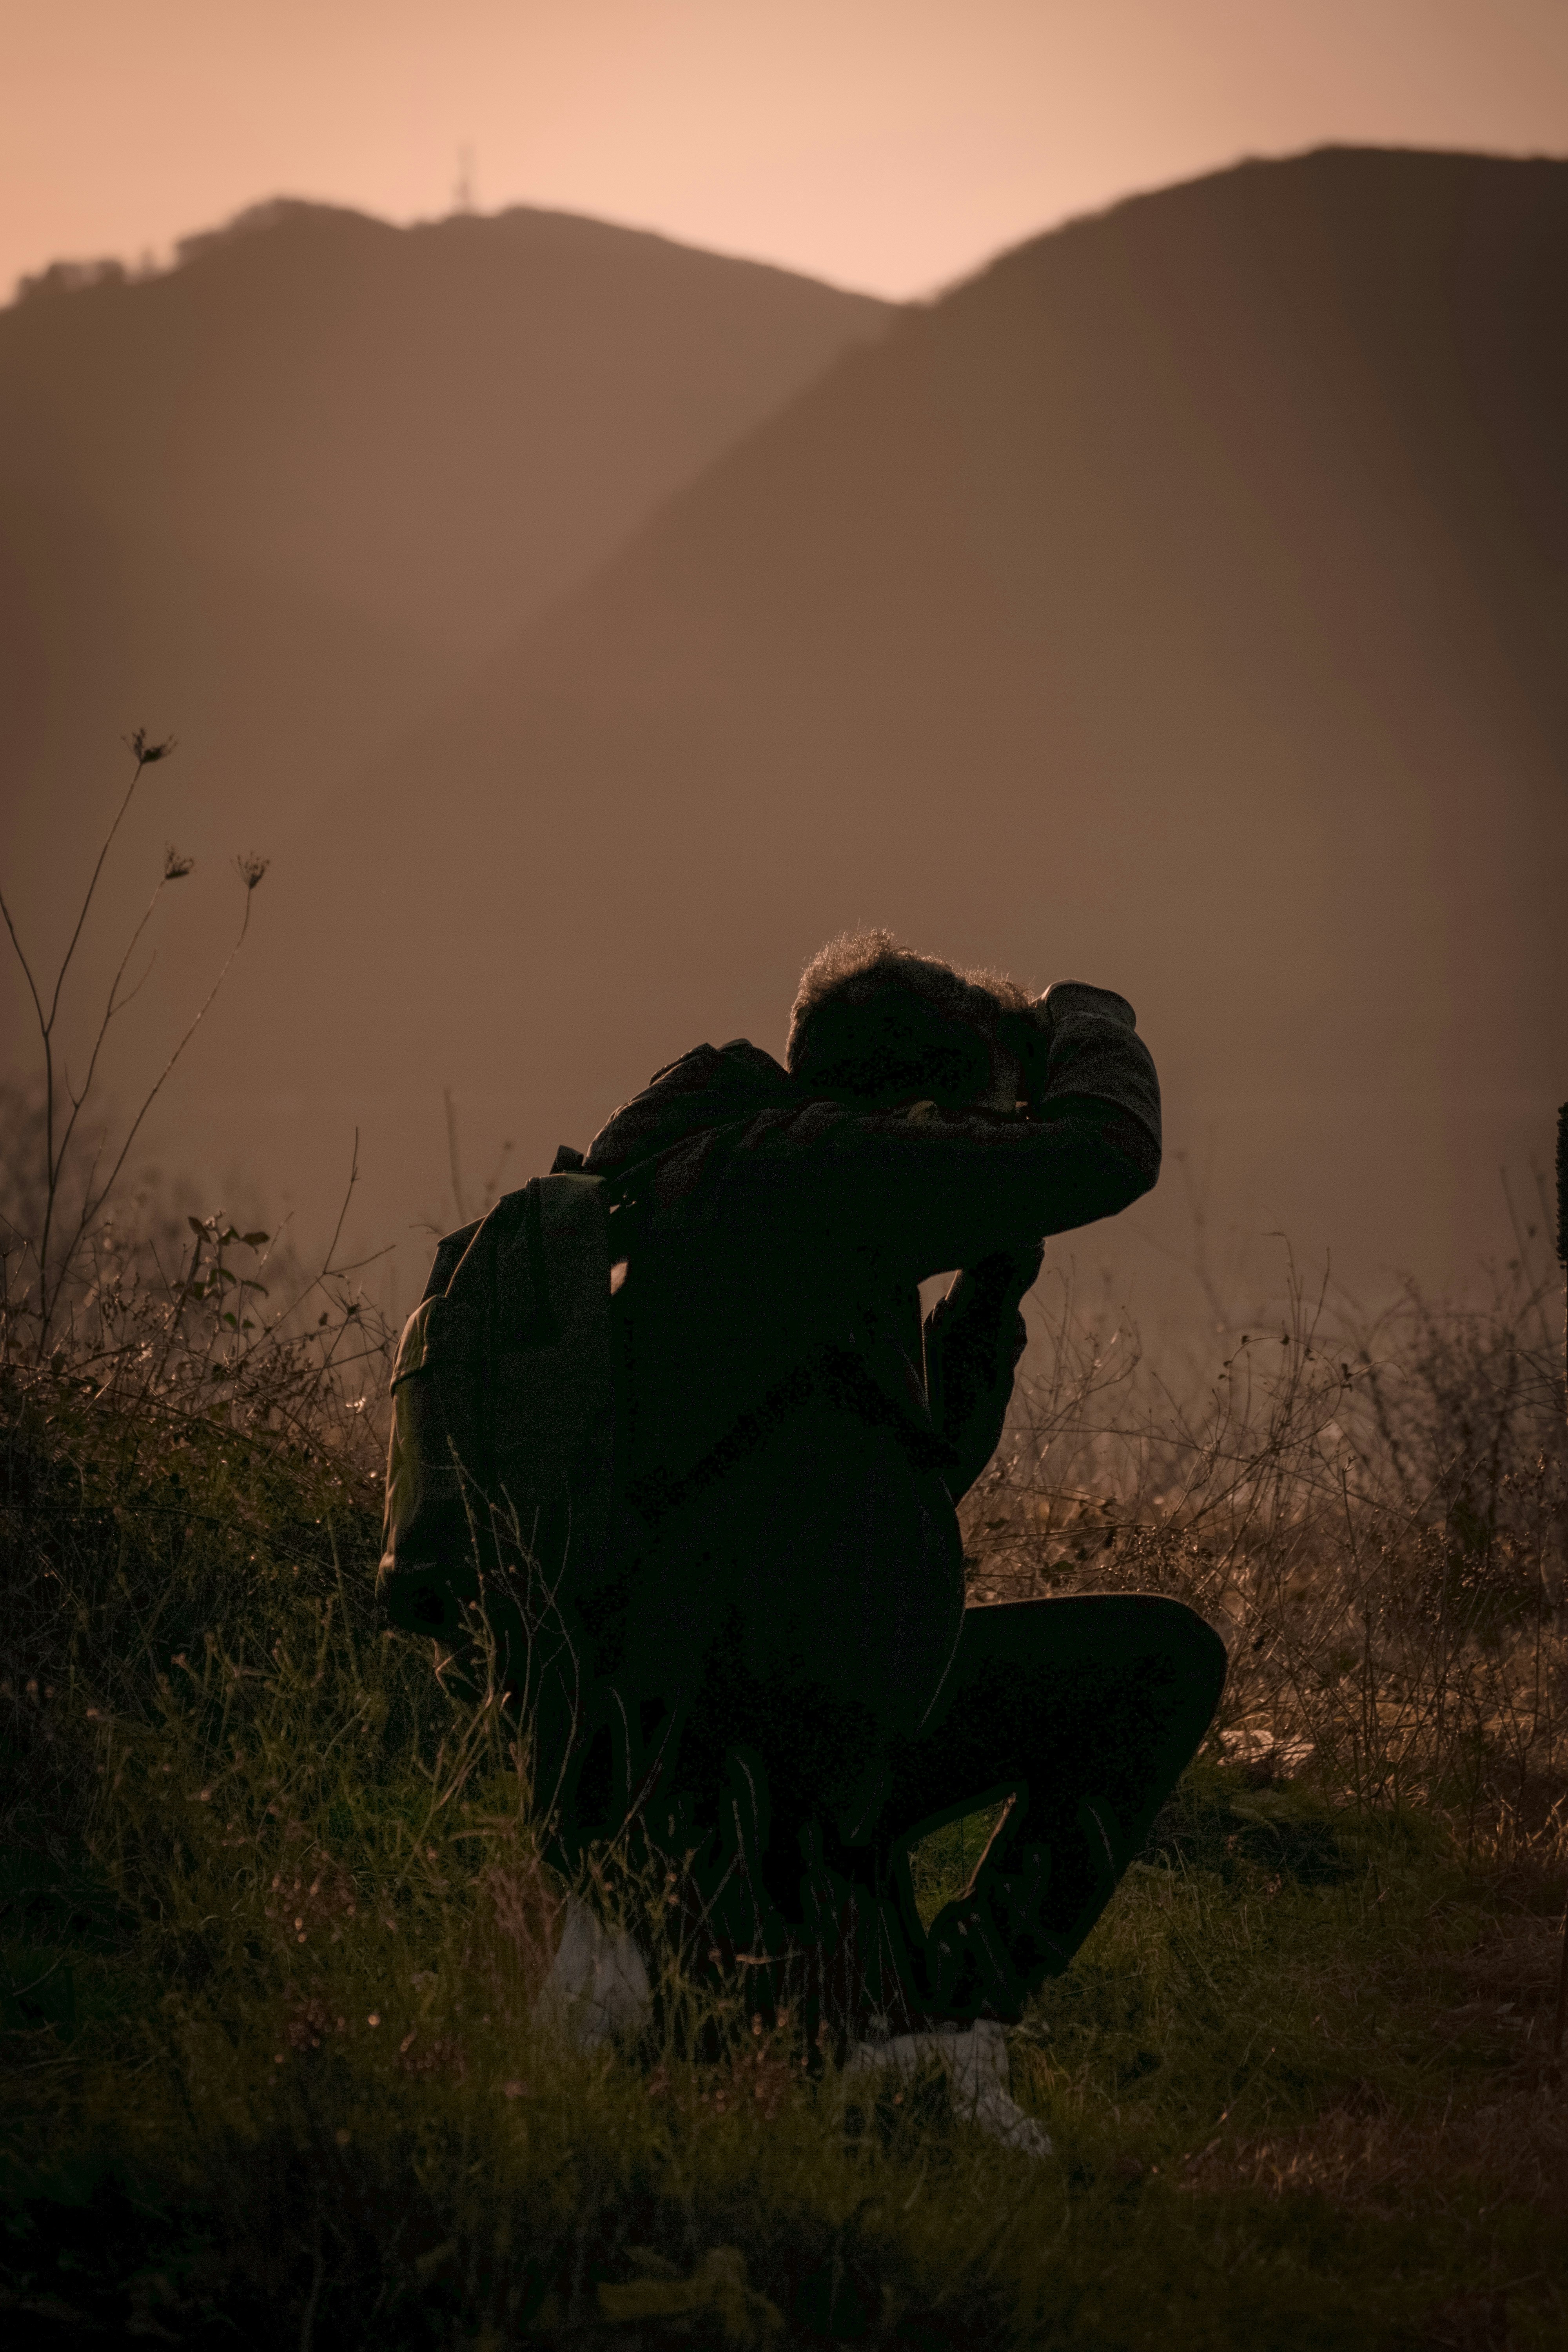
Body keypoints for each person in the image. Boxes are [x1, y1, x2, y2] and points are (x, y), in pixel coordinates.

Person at [540, 929, 1225, 2036]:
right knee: (1158, 1667)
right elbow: (1107, 1151)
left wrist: (995, 1280)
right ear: (915, 1114)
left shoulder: (748, 1188)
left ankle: (930, 2016)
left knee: (1155, 1659)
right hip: (750, 1720)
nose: (984, 1154)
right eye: (979, 1128)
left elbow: (922, 1467)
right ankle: (951, 2021)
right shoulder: (807, 1171)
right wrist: (1091, 1020)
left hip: (765, 1693)